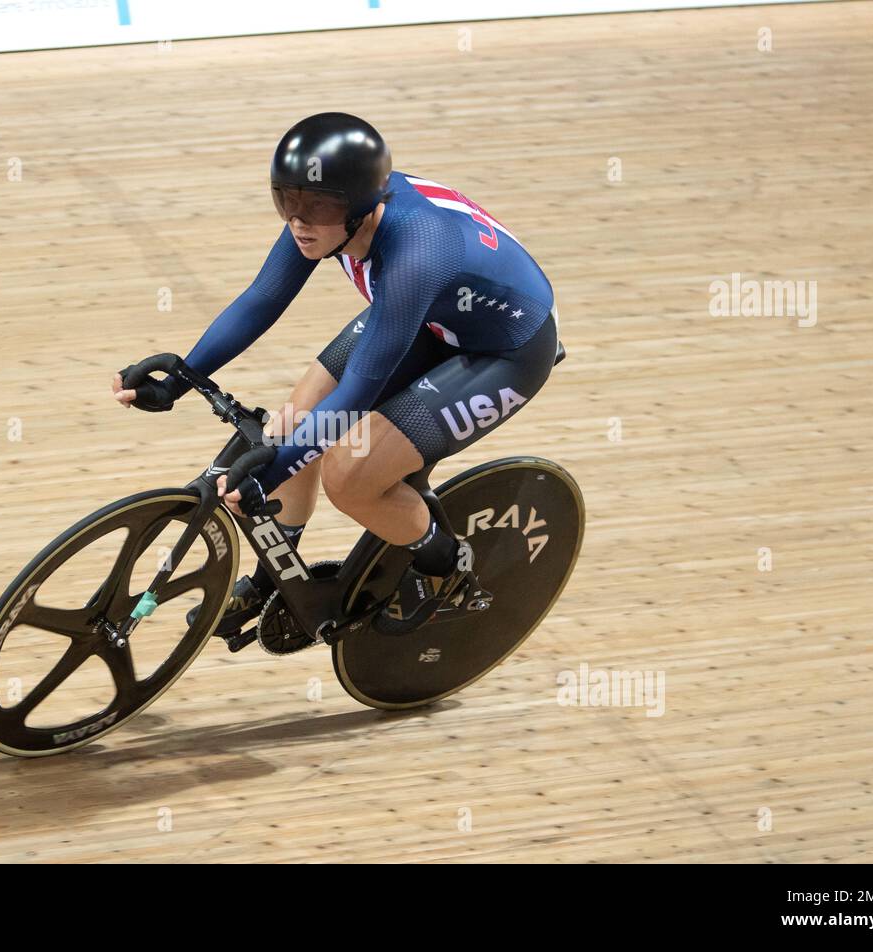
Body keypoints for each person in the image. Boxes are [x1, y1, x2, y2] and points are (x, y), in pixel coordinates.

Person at [113, 112, 558, 637]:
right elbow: (262, 300)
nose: (300, 220)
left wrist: (273, 472)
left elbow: (359, 391)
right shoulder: (327, 217)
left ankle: (444, 567)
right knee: (290, 426)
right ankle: (278, 575)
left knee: (350, 477)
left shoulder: (416, 250)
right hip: (426, 317)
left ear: (364, 208)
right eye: (288, 201)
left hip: (504, 352)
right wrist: (180, 380)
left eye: (316, 206)